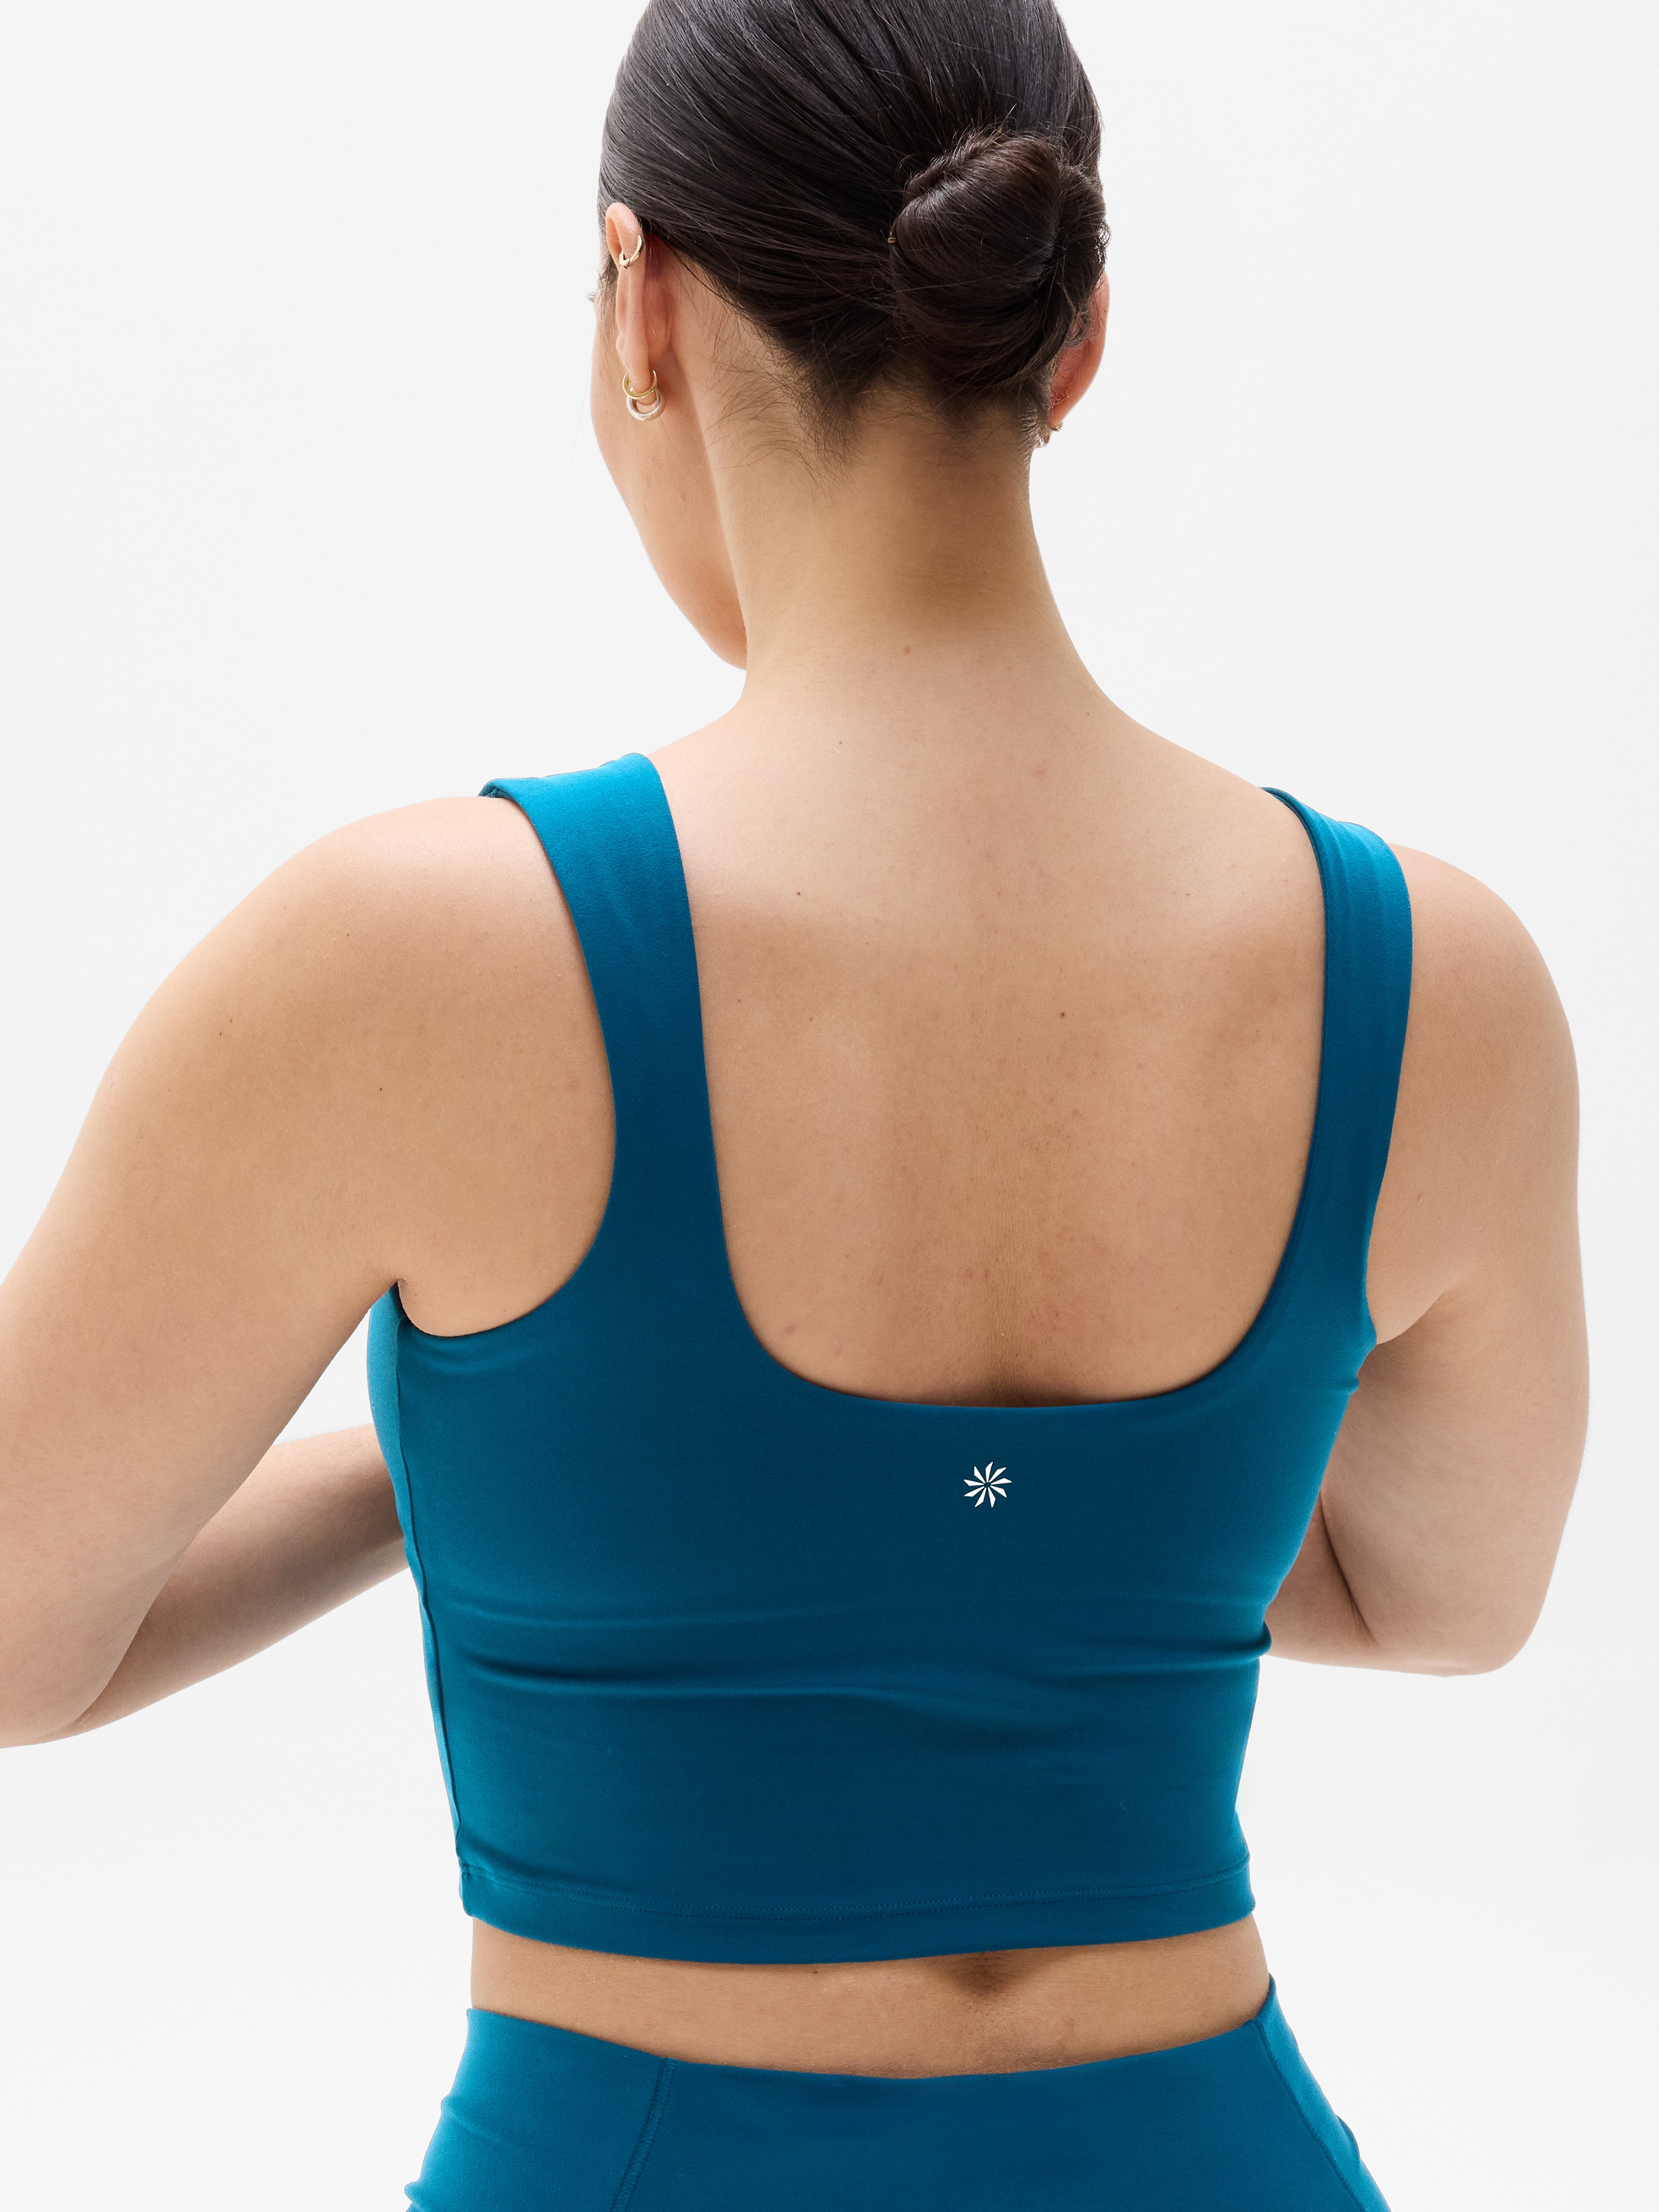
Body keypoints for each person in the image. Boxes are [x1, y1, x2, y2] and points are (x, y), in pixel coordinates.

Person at [0, 2, 1587, 2205]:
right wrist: (1049, 1514)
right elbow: (1445, 1598)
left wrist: (465, 1468)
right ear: (1076, 329)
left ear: (639, 302)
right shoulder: (1435, 982)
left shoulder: (415, 961)